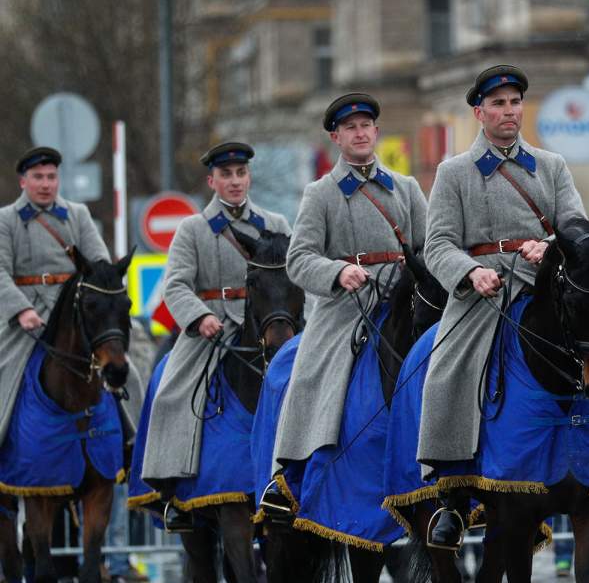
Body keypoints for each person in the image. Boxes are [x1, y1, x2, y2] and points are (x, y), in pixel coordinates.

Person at [416, 65, 589, 549]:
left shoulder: (551, 165)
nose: (509, 112)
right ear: (479, 112)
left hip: (548, 285)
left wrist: (550, 244)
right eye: (498, 104)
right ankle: (452, 494)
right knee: (448, 370)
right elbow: (438, 243)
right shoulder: (454, 172)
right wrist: (469, 271)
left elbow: (577, 226)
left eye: (514, 103)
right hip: (485, 293)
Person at [266, 93, 427, 505]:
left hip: (405, 297)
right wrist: (337, 271)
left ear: (376, 131)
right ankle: (288, 475)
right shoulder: (321, 193)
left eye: (366, 125)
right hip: (346, 307)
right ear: (336, 137)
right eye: (350, 127)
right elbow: (298, 259)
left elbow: (430, 248)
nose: (360, 133)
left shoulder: (406, 188)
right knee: (310, 372)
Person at [140, 142, 291, 531]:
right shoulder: (192, 229)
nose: (235, 181)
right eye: (226, 175)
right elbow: (174, 286)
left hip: (268, 327)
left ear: (248, 177)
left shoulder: (276, 224)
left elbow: (294, 278)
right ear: (212, 181)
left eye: (241, 173)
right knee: (170, 391)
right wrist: (199, 316)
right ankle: (171, 489)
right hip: (213, 331)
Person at [0, 147, 111, 452]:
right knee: (4, 370)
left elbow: (99, 263)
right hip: (26, 315)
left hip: (74, 312)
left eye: (51, 176)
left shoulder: (77, 214)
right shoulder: (6, 220)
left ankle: (131, 438)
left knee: (120, 369)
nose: (46, 183)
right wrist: (21, 310)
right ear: (24, 181)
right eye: (38, 177)